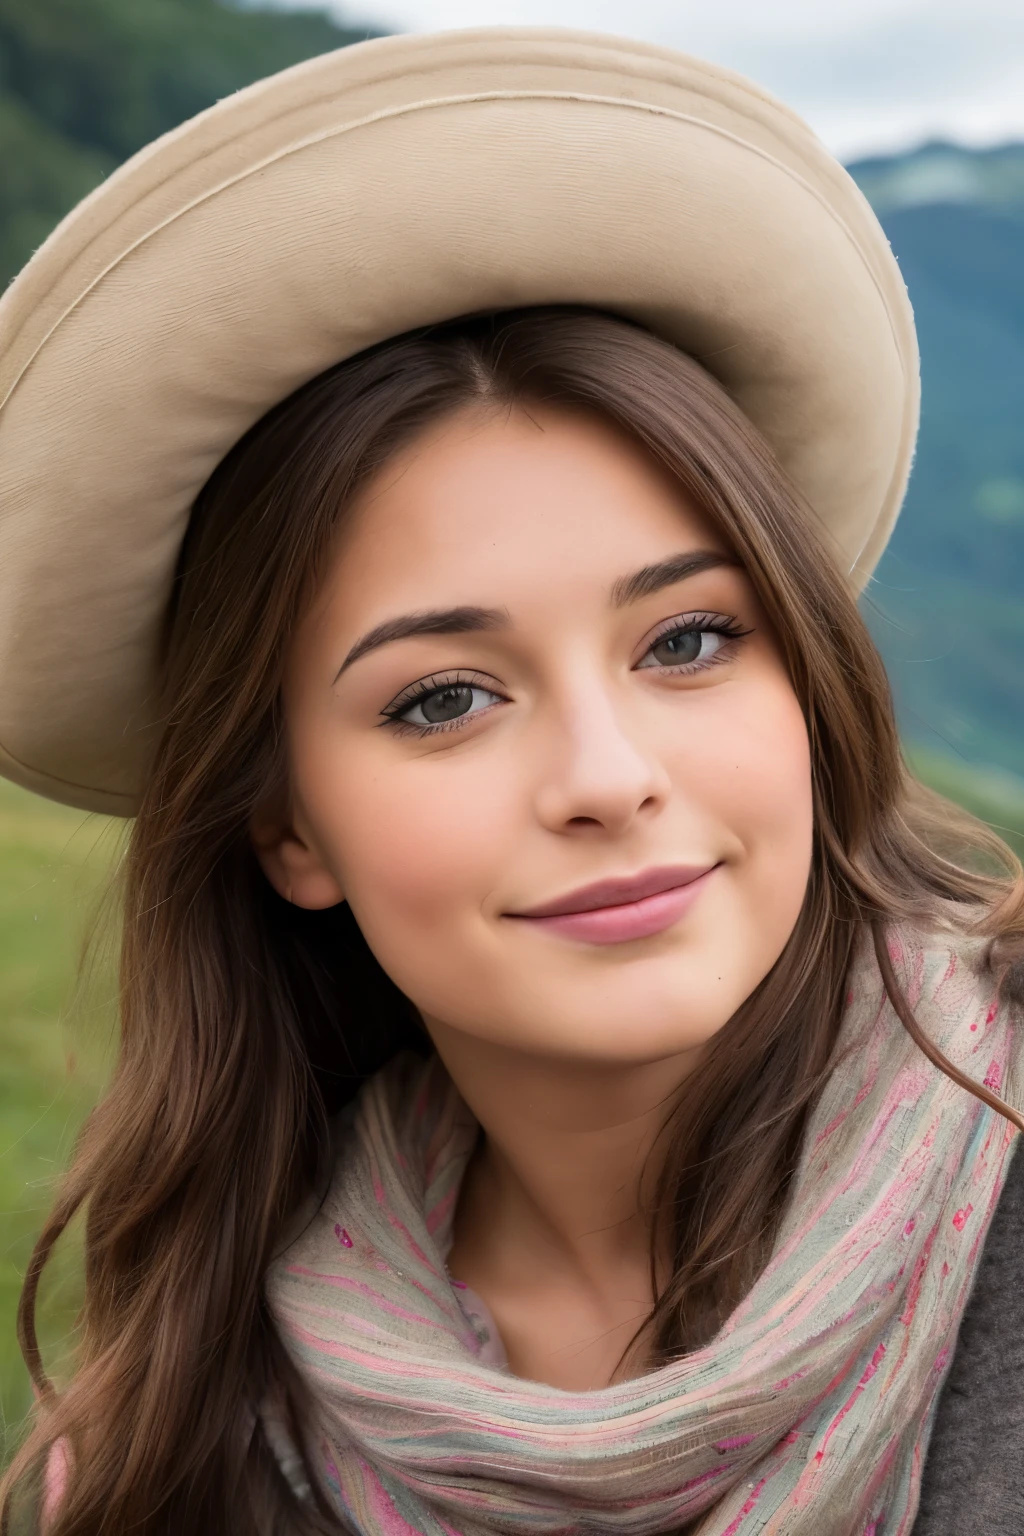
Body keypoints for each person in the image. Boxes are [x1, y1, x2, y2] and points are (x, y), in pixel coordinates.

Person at [0, 26, 1021, 1536]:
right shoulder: (195, 1435)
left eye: (687, 640)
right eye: (446, 699)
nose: (608, 781)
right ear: (287, 825)